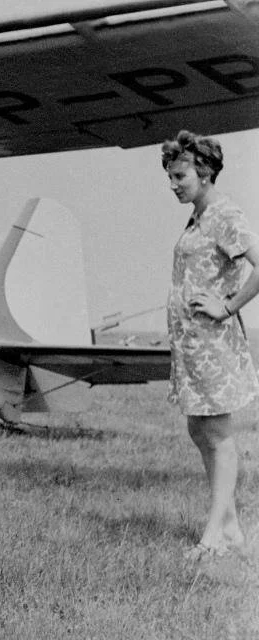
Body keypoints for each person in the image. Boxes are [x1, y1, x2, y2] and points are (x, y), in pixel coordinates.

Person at [162, 130, 258, 561]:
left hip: (214, 346)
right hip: (192, 348)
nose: (174, 184)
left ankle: (214, 537)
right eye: (170, 176)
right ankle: (232, 528)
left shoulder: (223, 214)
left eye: (180, 175)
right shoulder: (199, 216)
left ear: (203, 172)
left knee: (218, 436)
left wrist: (228, 305)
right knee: (199, 430)